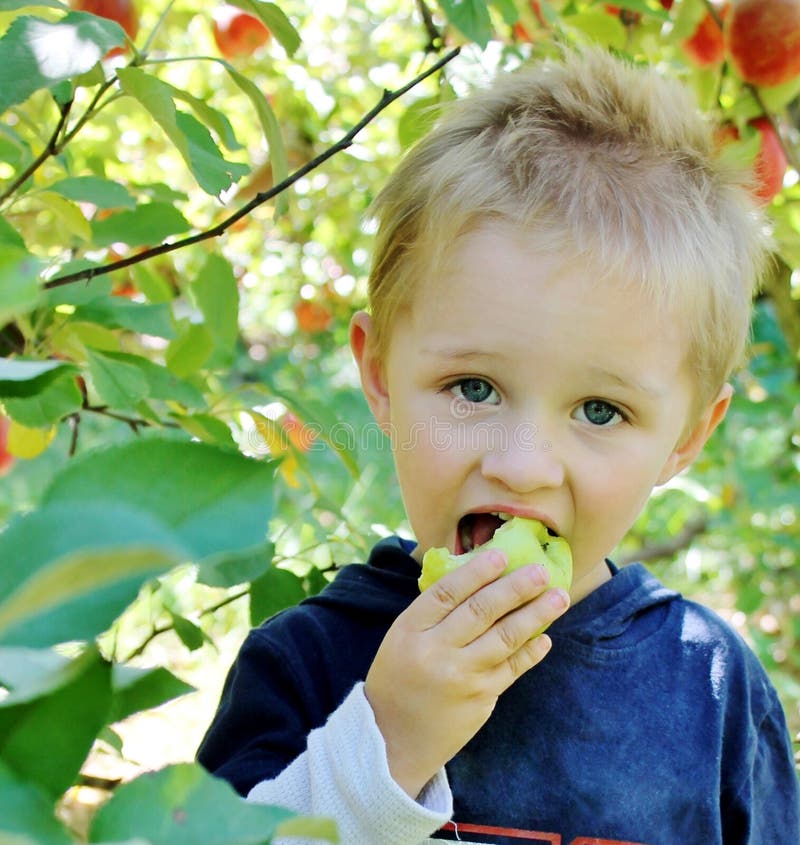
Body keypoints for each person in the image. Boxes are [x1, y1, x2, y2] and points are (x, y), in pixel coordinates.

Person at [197, 47, 800, 844]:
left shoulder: (710, 691)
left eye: (599, 408)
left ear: (688, 437)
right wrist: (384, 745)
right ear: (379, 376)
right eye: (474, 388)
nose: (522, 463)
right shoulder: (305, 662)